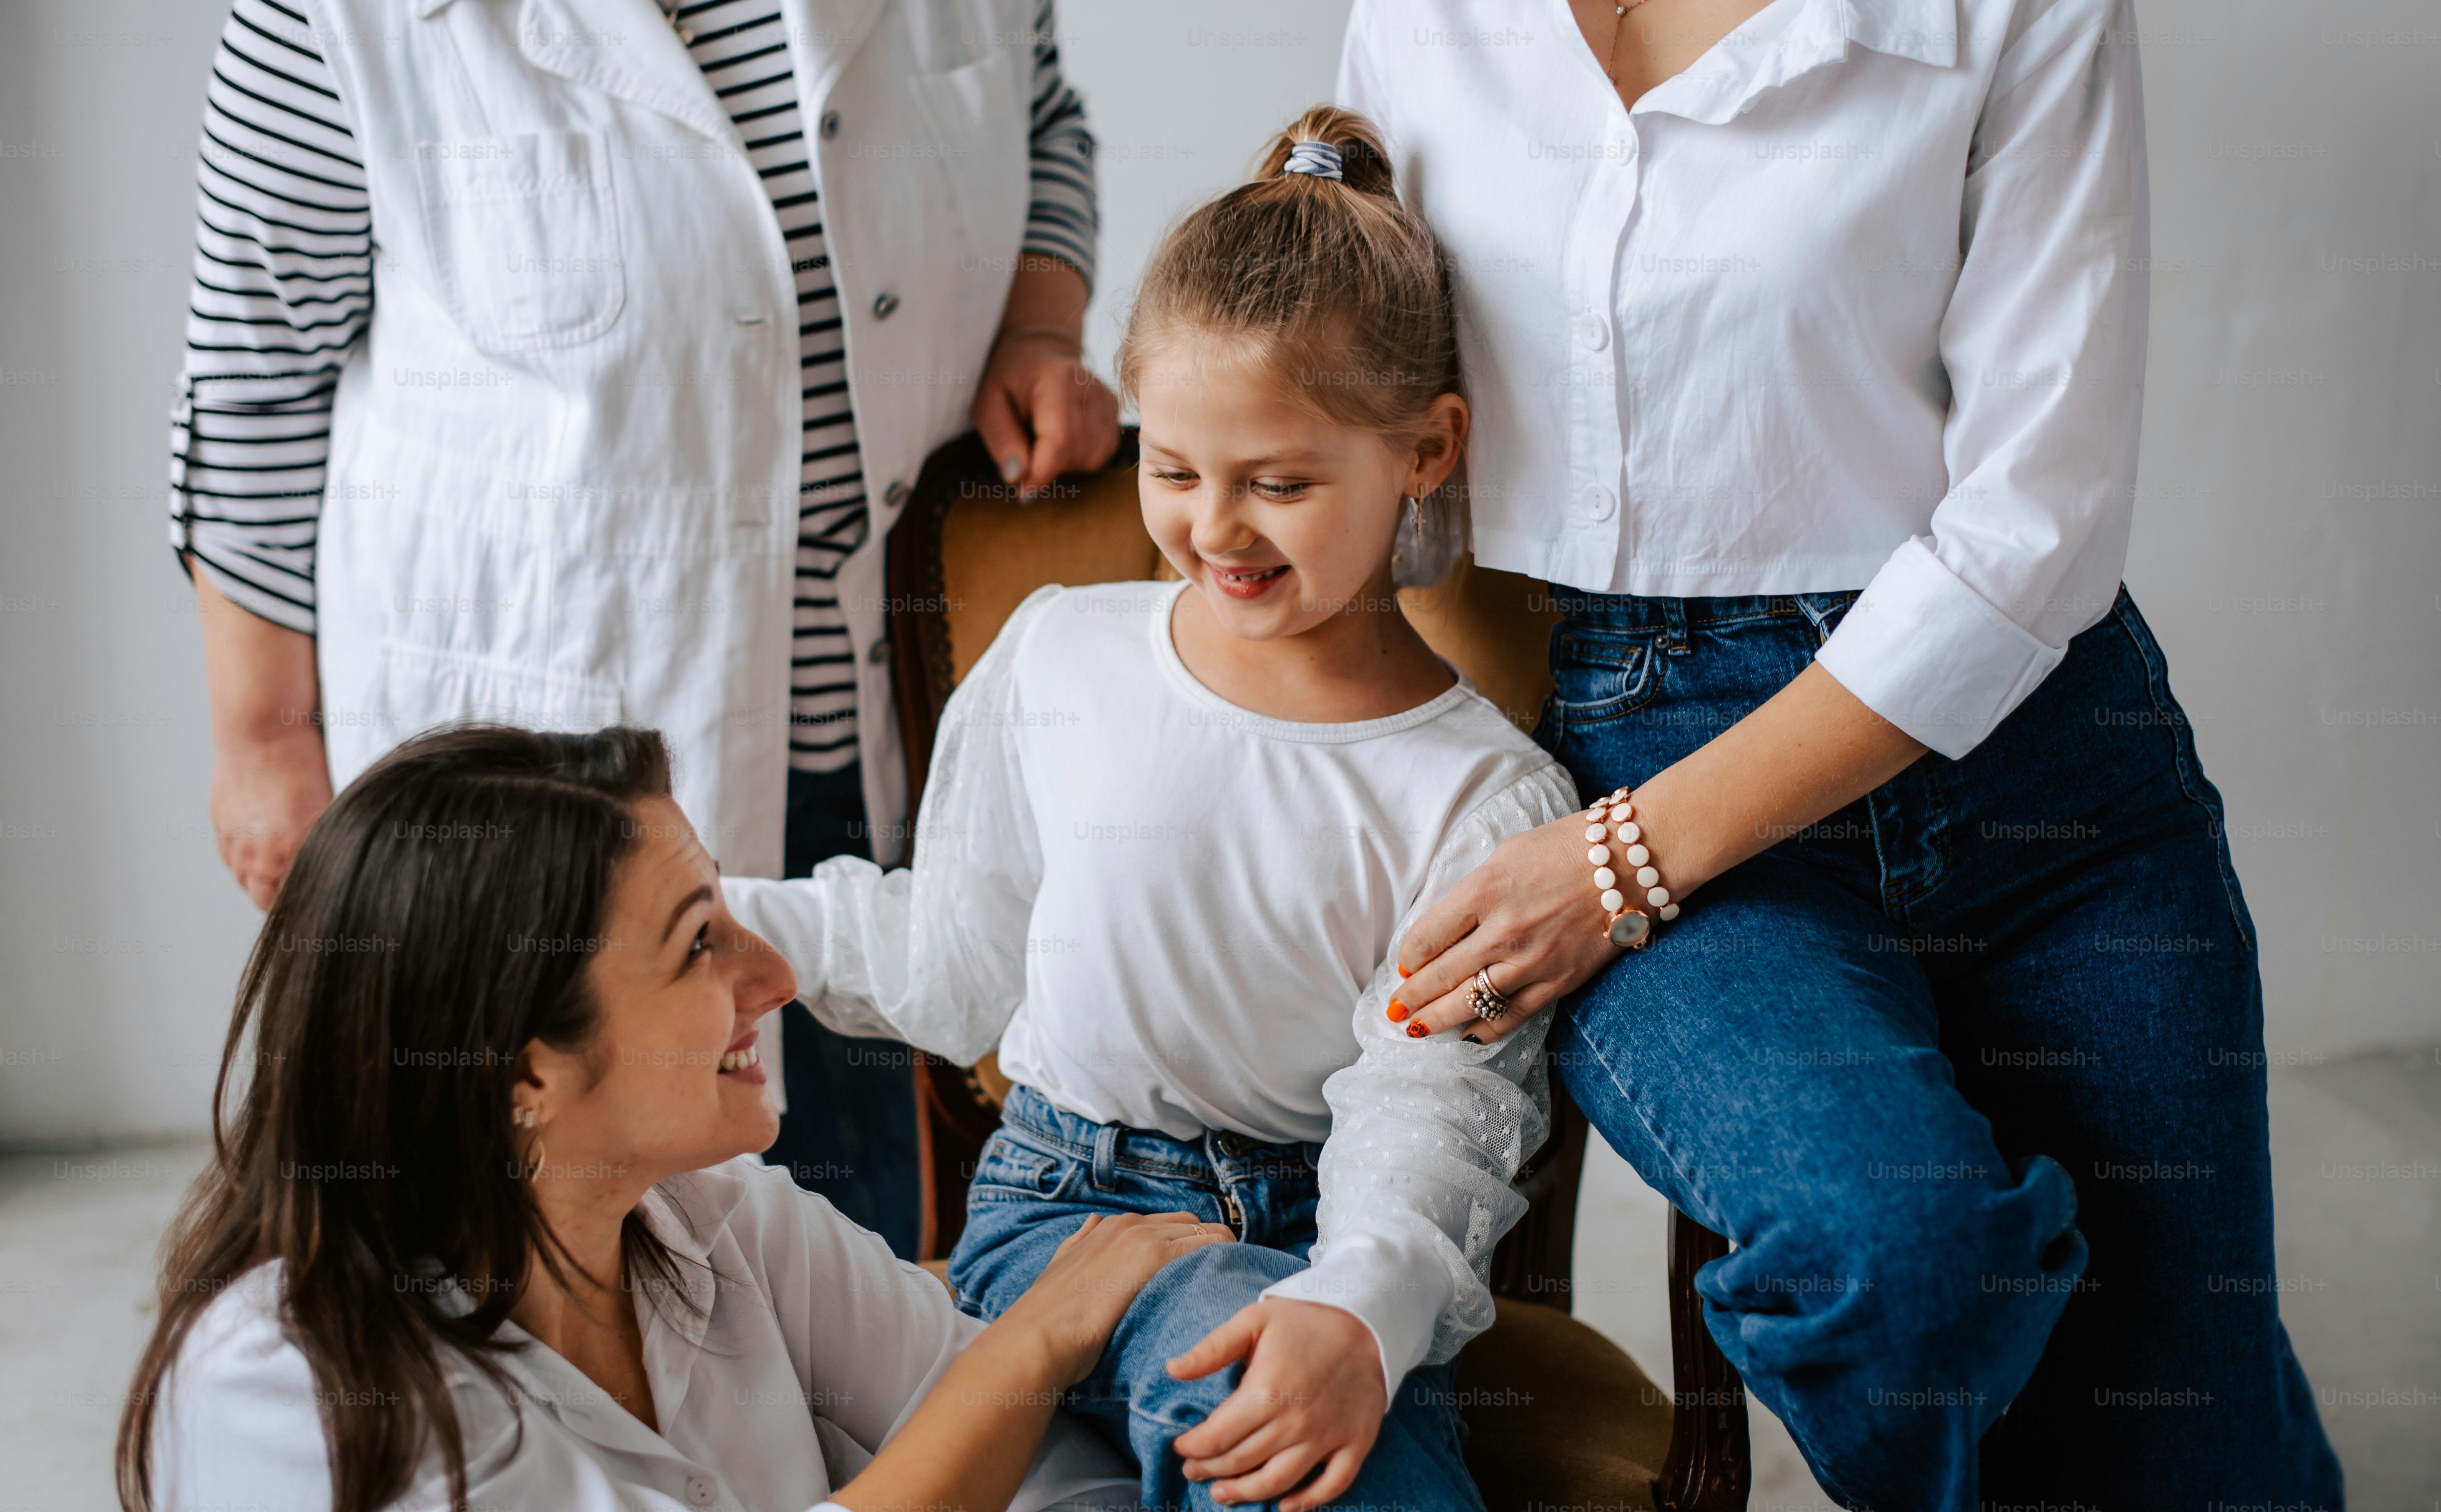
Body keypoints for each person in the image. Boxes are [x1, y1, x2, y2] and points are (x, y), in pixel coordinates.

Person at [1336, 1, 2343, 1507]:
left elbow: (2038, 521)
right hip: (1637, 729)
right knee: (1903, 1265)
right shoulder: (1421, 21)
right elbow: (1366, 420)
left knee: (2193, 1435)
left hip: (2044, 770)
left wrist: (1621, 863)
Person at [167, 0, 1119, 1255]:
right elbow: (255, 379)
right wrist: (264, 738)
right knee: (548, 1271)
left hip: (879, 746)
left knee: (859, 1269)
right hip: (543, 777)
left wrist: (1039, 324)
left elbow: (1042, 119)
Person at [722, 108, 1571, 1512]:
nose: (1216, 528)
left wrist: (1357, 1306)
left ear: (1427, 448)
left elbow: (1430, 1112)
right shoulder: (1063, 652)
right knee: (1277, 1437)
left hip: (1338, 1234)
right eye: (1175, 472)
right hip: (1068, 1208)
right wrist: (737, 919)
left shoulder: (1483, 795)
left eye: (1279, 484)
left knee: (1328, 1431)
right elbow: (951, 961)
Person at [116, 724, 1226, 1512]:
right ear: (522, 1072)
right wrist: (1035, 1334)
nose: (776, 975)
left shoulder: (728, 1220)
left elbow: (1053, 1469)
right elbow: (991, 1405)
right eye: (701, 941)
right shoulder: (281, 1389)